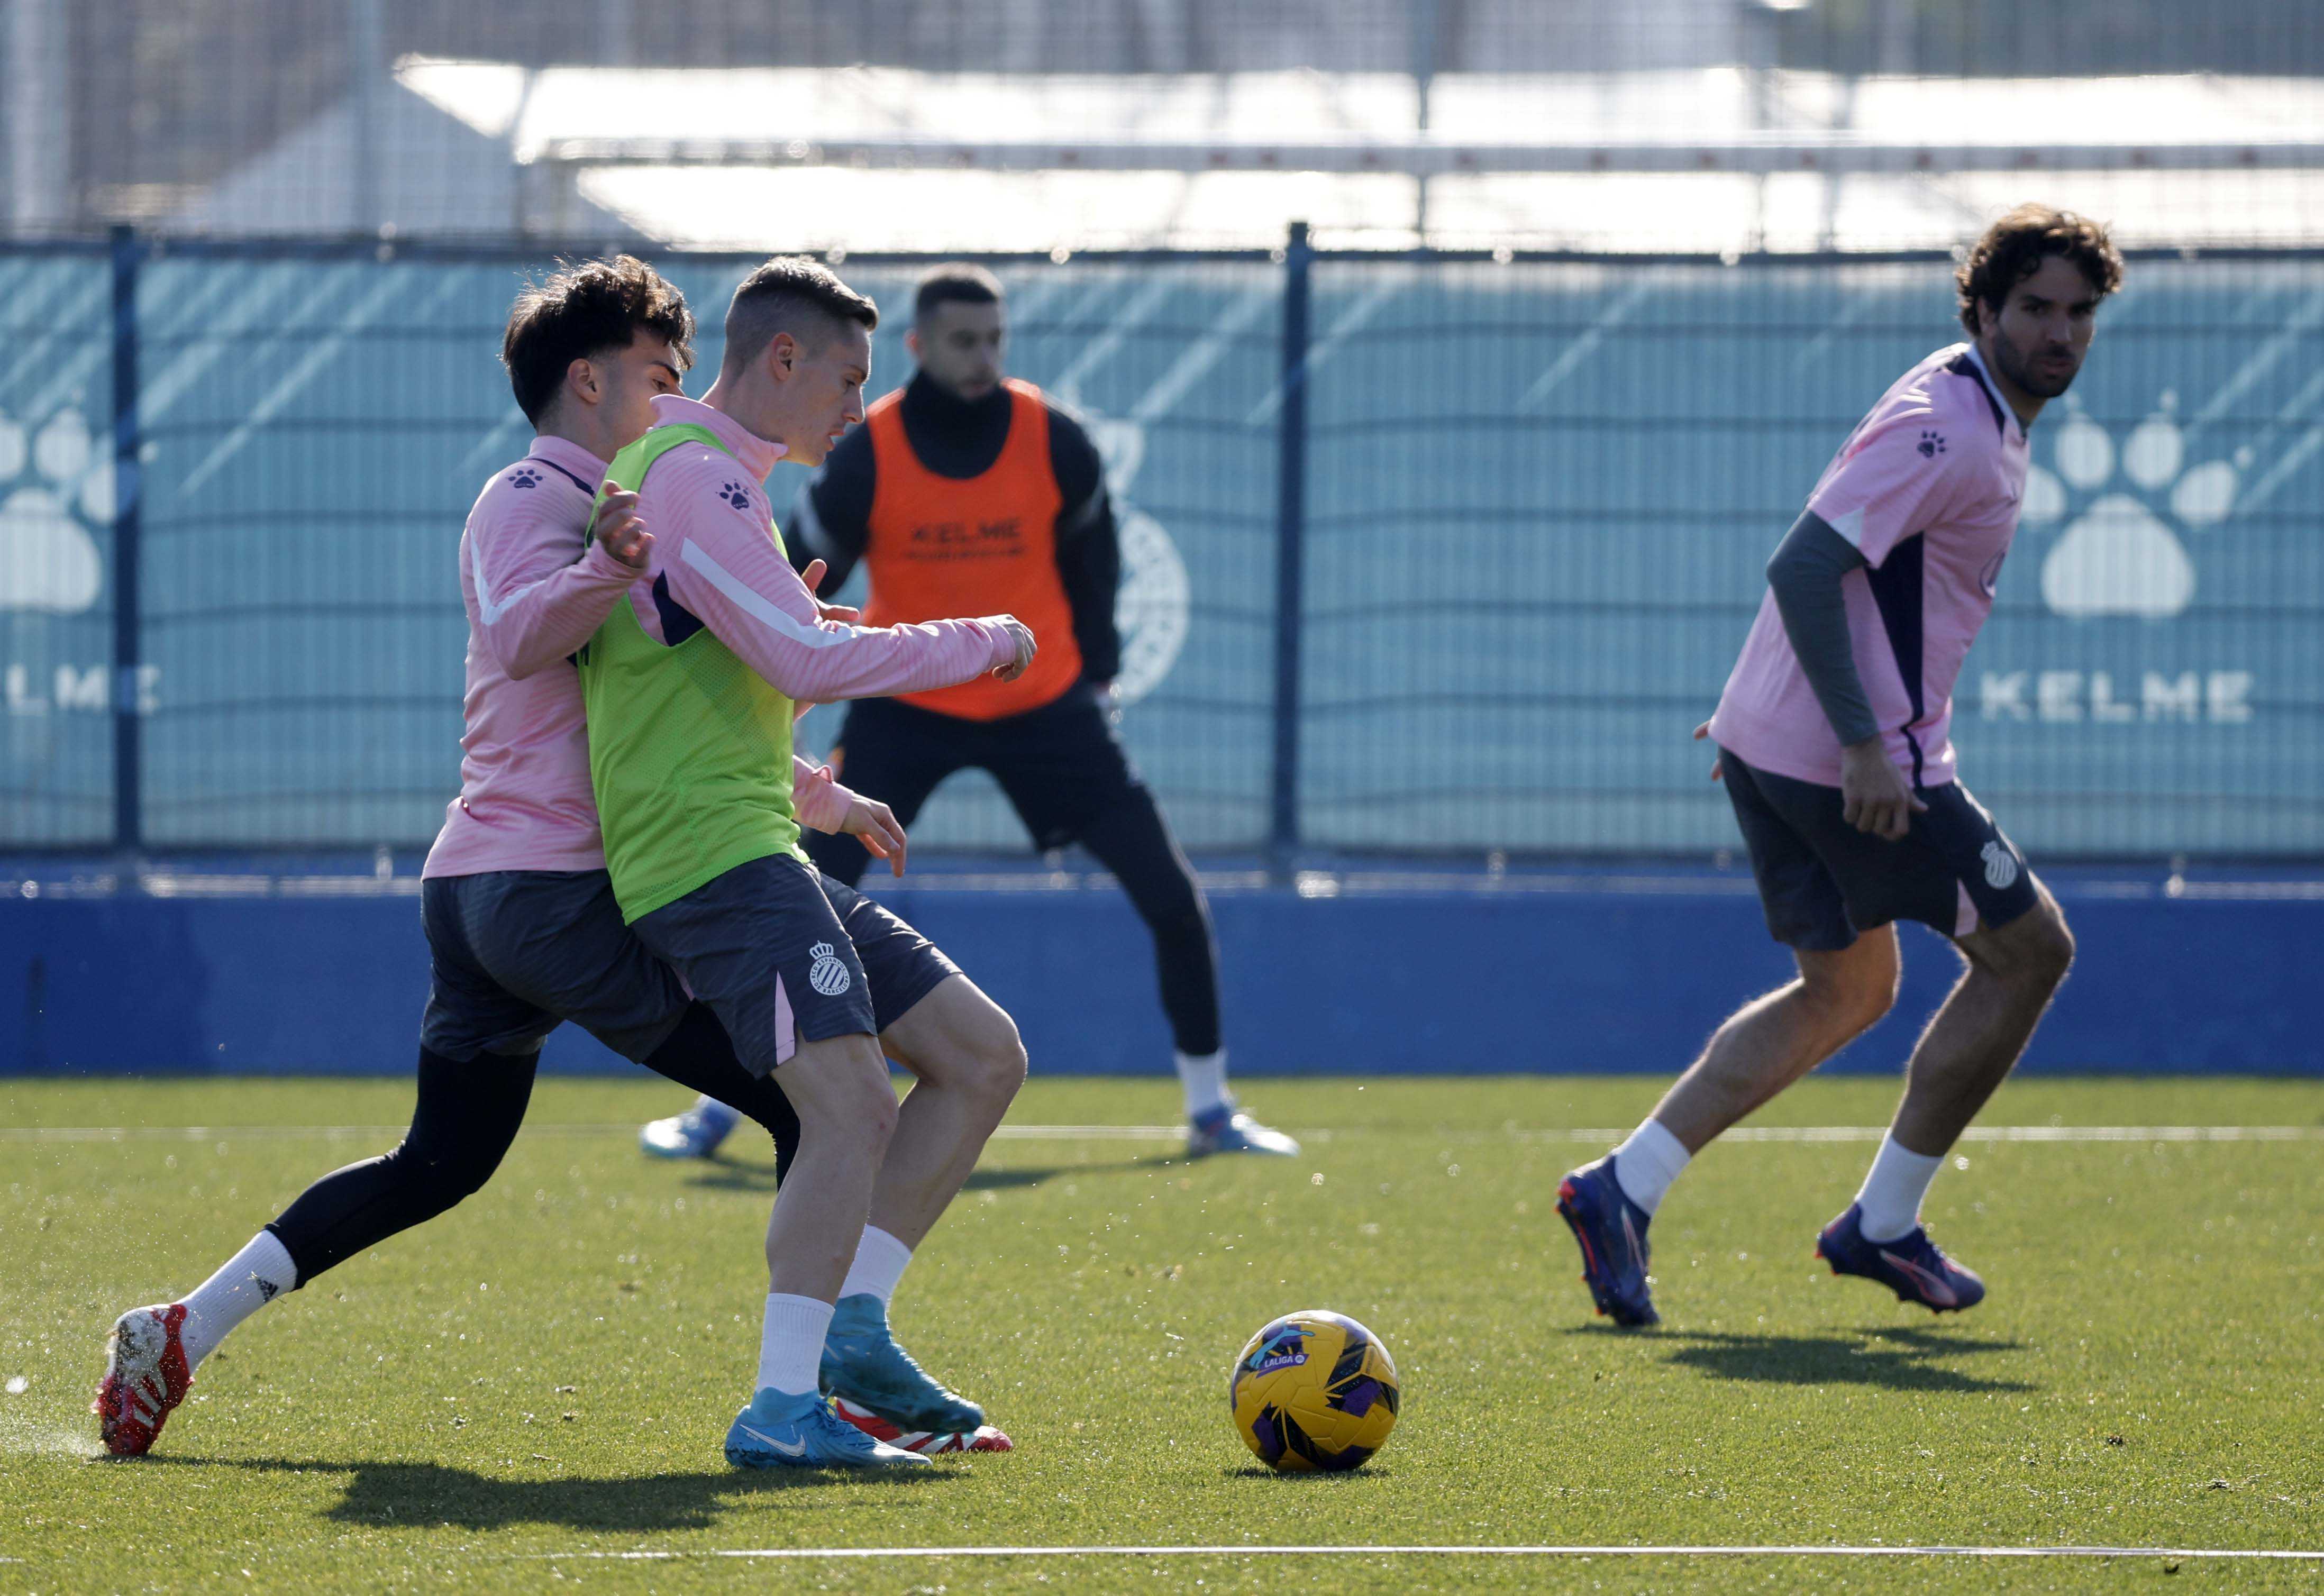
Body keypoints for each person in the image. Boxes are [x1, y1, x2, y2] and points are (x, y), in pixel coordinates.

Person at [90, 257, 904, 1455]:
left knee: (441, 1161)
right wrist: (610, 565)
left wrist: (816, 790)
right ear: (588, 381)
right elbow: (525, 636)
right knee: (821, 1106)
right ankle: (807, 1396)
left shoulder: (627, 505)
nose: (679, 399)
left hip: (487, 891)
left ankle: (180, 1328)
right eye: (660, 376)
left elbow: (660, 728)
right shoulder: (535, 496)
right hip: (552, 893)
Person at [1556, 206, 2119, 1327]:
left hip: (1780, 740)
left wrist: (1764, 718)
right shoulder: (1949, 428)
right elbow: (1804, 566)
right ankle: (1883, 1224)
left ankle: (1622, 1187)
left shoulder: (1966, 404)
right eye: (2033, 308)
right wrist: (1860, 745)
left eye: (2077, 312)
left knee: (1849, 991)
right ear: (1983, 309)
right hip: (1854, 761)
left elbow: (1840, 571)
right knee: (2029, 954)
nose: (2057, 333)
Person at [639, 262, 1296, 1165]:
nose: (983, 357)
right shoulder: (868, 449)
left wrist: (1098, 674)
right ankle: (718, 1108)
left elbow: (1095, 561)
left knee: (1172, 896)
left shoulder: (1052, 437)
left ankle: (1211, 1107)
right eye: (962, 341)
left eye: (994, 339)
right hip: (907, 710)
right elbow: (791, 576)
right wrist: (783, 659)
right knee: (793, 895)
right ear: (917, 346)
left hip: (1044, 706)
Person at [574, 255, 1041, 1471]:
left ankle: (855, 1336)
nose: (857, 406)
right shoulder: (691, 474)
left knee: (979, 1055)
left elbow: (715, 682)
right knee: (851, 1106)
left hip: (756, 839)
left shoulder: (715, 481)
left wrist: (822, 796)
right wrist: (982, 639)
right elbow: (800, 664)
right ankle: (782, 1407)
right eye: (846, 378)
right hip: (709, 857)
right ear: (781, 358)